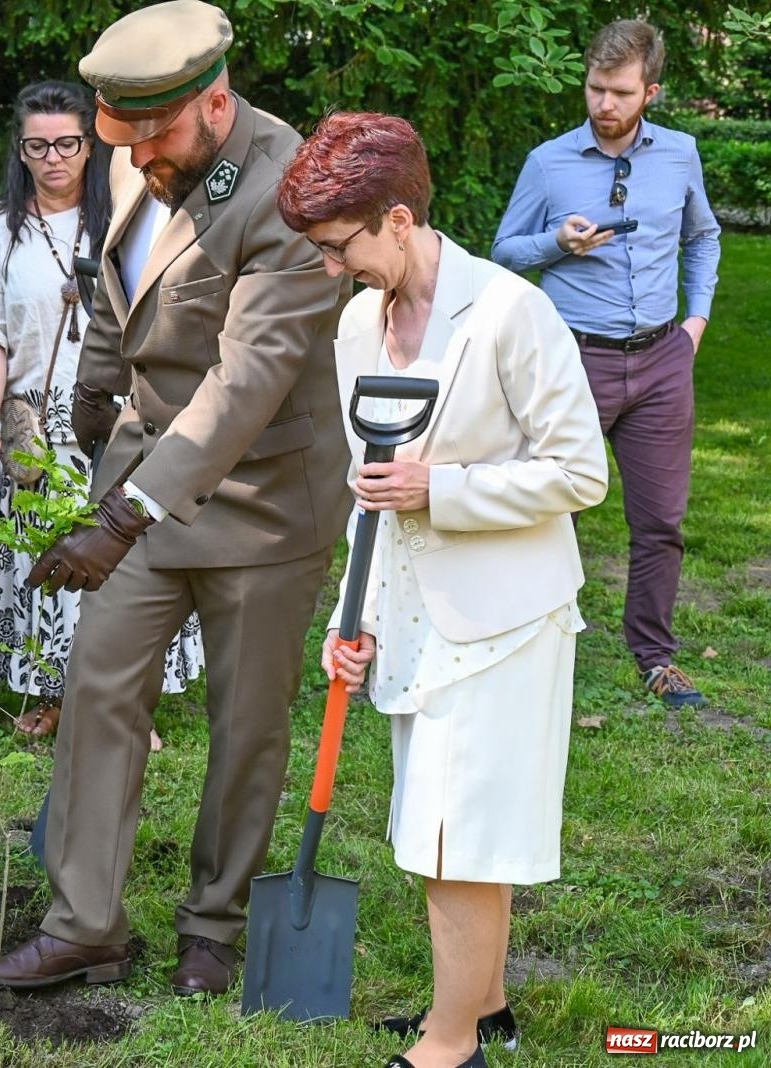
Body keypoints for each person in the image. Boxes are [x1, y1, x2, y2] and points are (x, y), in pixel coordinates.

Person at [0, 0, 352, 999]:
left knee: (244, 723)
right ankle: (84, 922)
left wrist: (122, 515)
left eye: (154, 137)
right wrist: (96, 402)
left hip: (260, 502)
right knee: (96, 689)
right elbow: (115, 291)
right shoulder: (149, 155)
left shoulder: (285, 191)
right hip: (139, 484)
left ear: (214, 102)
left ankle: (212, 925)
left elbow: (246, 381)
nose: (136, 160)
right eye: (120, 139)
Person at [279, 112, 609, 1068]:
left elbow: (580, 471)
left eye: (342, 248)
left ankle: (451, 1042)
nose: (336, 268)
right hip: (416, 611)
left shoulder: (512, 312)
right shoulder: (357, 323)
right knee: (442, 819)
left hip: (507, 615)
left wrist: (446, 489)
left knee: (453, 835)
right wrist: (360, 616)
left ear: (397, 217)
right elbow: (370, 485)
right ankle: (489, 1005)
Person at [0, 80, 203, 745]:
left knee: (130, 561)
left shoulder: (130, 216)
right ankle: (59, 696)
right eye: (38, 146)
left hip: (123, 417)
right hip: (35, 424)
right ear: (21, 149)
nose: (54, 158)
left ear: (91, 145)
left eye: (67, 143)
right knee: (51, 559)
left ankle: (129, 702)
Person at [492, 19, 720, 709]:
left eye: (620, 92)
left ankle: (655, 656)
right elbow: (503, 251)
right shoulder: (548, 161)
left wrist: (695, 325)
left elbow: (702, 236)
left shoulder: (680, 155)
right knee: (544, 510)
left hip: (661, 362)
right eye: (595, 88)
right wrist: (556, 244)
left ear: (650, 90)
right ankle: (521, 643)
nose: (604, 105)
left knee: (660, 523)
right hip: (573, 363)